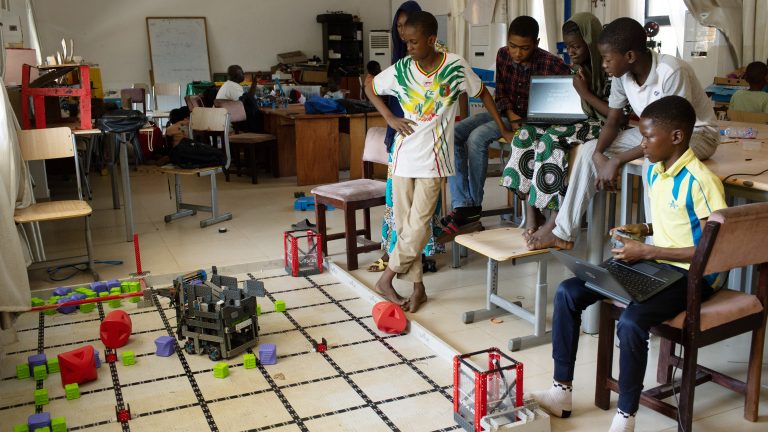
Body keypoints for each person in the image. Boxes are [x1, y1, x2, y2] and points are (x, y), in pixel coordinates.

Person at [526, 95, 726, 432]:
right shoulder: (655, 171)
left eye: (648, 137)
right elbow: (676, 223)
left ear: (676, 137)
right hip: (658, 264)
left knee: (632, 322)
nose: (642, 144)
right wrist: (642, 231)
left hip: (696, 275)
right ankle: (561, 392)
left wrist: (647, 251)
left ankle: (626, 416)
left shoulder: (700, 180)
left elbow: (714, 249)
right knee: (568, 292)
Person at [527, 17, 719, 250]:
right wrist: (599, 154)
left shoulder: (671, 71)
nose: (604, 65)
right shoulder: (622, 76)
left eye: (607, 59)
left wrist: (616, 160)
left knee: (654, 162)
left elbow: (669, 134)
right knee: (588, 149)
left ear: (629, 56)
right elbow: (614, 120)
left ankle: (654, 246)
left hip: (693, 134)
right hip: (653, 137)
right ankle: (563, 232)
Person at [366, 11, 512, 312]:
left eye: (414, 42)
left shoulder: (455, 66)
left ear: (432, 40)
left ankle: (387, 277)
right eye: (405, 42)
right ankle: (418, 289)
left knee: (419, 227)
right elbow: (370, 85)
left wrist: (501, 127)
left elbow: (484, 93)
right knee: (408, 229)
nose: (409, 48)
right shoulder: (402, 68)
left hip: (433, 162)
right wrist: (389, 117)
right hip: (403, 160)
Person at [443, 16, 569, 237]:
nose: (517, 53)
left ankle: (474, 207)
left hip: (532, 124)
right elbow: (500, 93)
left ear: (537, 43)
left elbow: (563, 100)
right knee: (453, 134)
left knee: (477, 137)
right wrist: (510, 120)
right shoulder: (502, 54)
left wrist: (521, 123)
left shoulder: (552, 64)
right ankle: (463, 205)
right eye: (513, 46)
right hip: (506, 115)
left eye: (524, 48)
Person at [500, 12, 610, 240]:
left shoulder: (609, 68)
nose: (571, 52)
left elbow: (613, 115)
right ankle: (532, 214)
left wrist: (584, 92)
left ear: (590, 42)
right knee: (525, 134)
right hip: (578, 119)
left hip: (601, 123)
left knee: (551, 138)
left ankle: (554, 218)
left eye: (576, 47)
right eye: (568, 47)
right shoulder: (576, 68)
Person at [368, 1, 445, 274]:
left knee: (423, 207)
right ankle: (397, 255)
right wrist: (389, 119)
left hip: (428, 144)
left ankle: (420, 256)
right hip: (401, 140)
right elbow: (376, 89)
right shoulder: (399, 59)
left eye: (407, 26)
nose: (402, 33)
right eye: (398, 27)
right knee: (398, 203)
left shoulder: (440, 58)